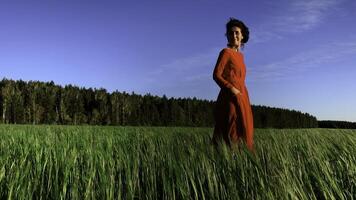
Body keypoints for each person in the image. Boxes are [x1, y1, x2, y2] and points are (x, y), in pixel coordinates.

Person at [211, 18, 254, 153]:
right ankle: (225, 161)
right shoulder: (225, 52)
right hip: (229, 97)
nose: (234, 35)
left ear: (242, 36)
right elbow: (216, 75)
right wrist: (232, 89)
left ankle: (241, 163)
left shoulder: (241, 57)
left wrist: (240, 94)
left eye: (237, 33)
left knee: (243, 129)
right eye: (231, 33)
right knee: (230, 129)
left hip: (242, 97)